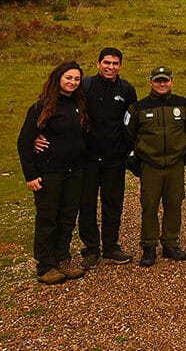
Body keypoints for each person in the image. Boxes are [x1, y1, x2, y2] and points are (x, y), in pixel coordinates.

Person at [17, 61, 89, 284]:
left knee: (67, 217)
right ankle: (45, 265)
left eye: (77, 79)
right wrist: (30, 175)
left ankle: (62, 259)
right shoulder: (43, 106)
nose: (73, 82)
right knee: (48, 217)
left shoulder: (79, 104)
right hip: (50, 172)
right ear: (58, 78)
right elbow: (24, 141)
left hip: (75, 171)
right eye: (69, 78)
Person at [124, 66, 186, 267]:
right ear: (151, 82)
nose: (162, 84)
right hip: (150, 165)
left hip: (175, 164)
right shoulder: (138, 108)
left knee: (174, 203)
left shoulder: (182, 104)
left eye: (165, 81)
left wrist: (178, 148)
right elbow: (129, 134)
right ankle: (149, 246)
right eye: (157, 81)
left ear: (171, 81)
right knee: (149, 205)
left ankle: (170, 243)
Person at [78, 47, 137, 268]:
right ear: (98, 63)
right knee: (87, 205)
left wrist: (128, 151)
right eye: (106, 63)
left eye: (115, 63)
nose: (110, 67)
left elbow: (131, 122)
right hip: (88, 158)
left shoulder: (127, 89)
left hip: (115, 159)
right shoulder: (85, 86)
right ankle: (91, 249)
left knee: (113, 203)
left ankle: (111, 247)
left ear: (120, 66)